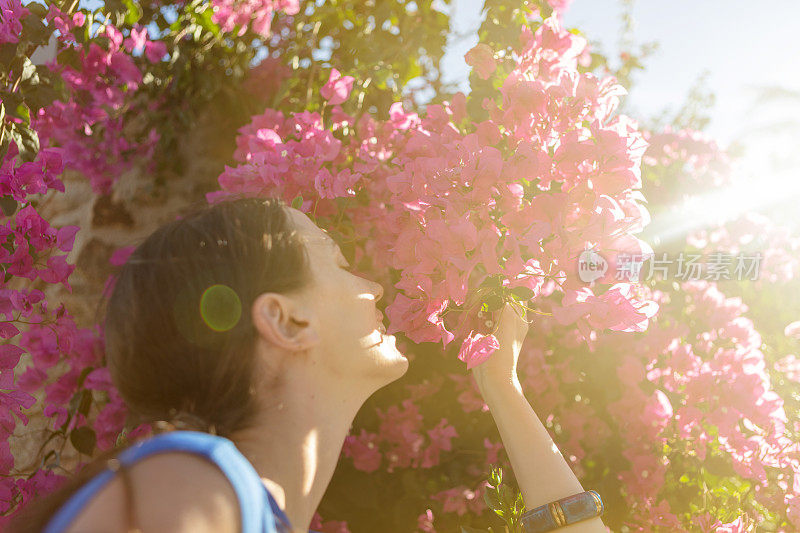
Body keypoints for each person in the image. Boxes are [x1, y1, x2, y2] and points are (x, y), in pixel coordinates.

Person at [12, 197, 606, 533]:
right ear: (288, 322)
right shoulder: (198, 488)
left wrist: (502, 388)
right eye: (340, 262)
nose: (372, 284)